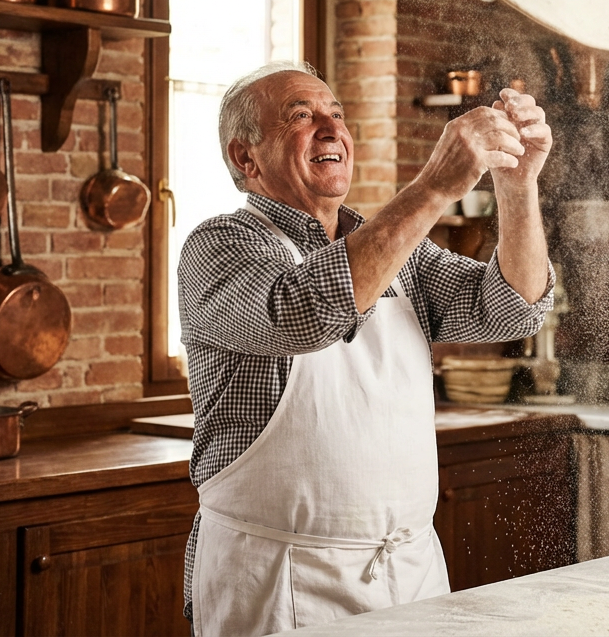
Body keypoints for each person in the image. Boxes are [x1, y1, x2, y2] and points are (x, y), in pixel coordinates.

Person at [179, 61, 554, 636]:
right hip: (281, 581)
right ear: (244, 158)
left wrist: (517, 184)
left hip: (410, 573)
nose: (331, 129)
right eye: (300, 117)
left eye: (337, 115)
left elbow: (509, 307)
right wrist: (434, 186)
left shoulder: (397, 249)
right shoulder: (219, 245)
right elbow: (304, 314)